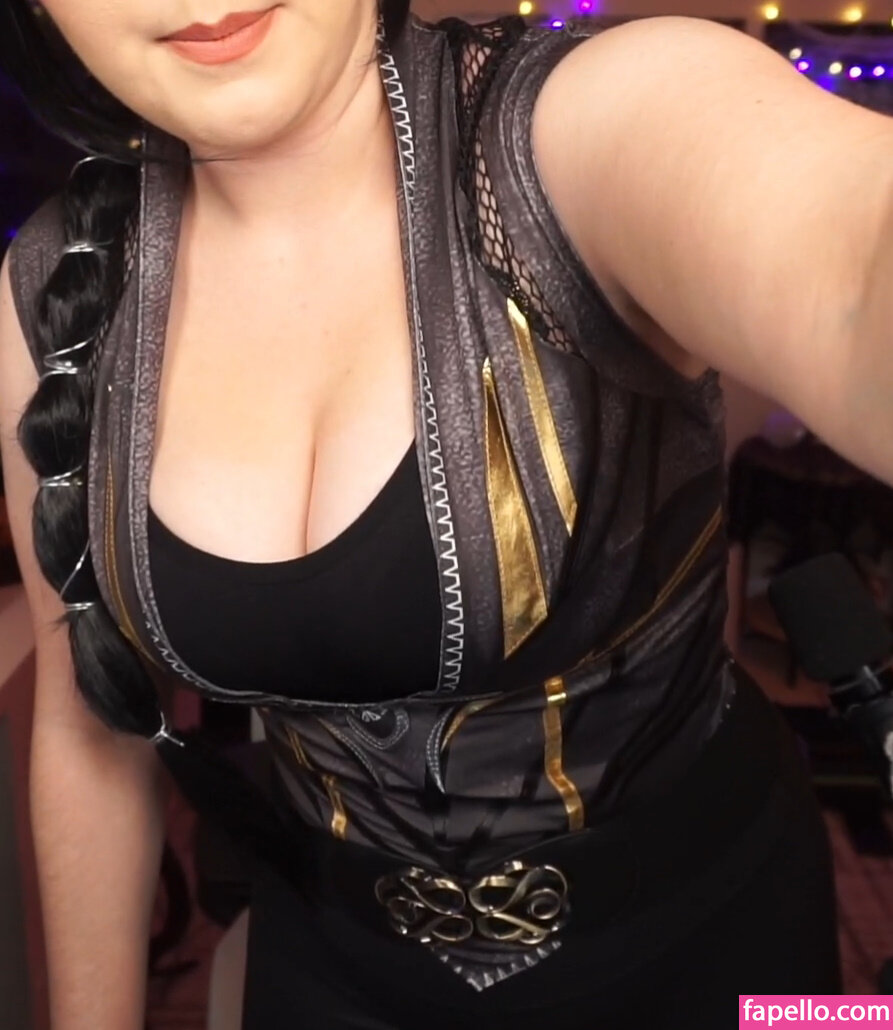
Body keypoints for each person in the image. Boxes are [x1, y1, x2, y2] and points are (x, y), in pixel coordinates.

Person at [0, 1, 891, 1027]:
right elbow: (90, 727)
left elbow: (853, 264)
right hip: (331, 970)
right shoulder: (55, 293)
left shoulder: (575, 136)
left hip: (711, 948)